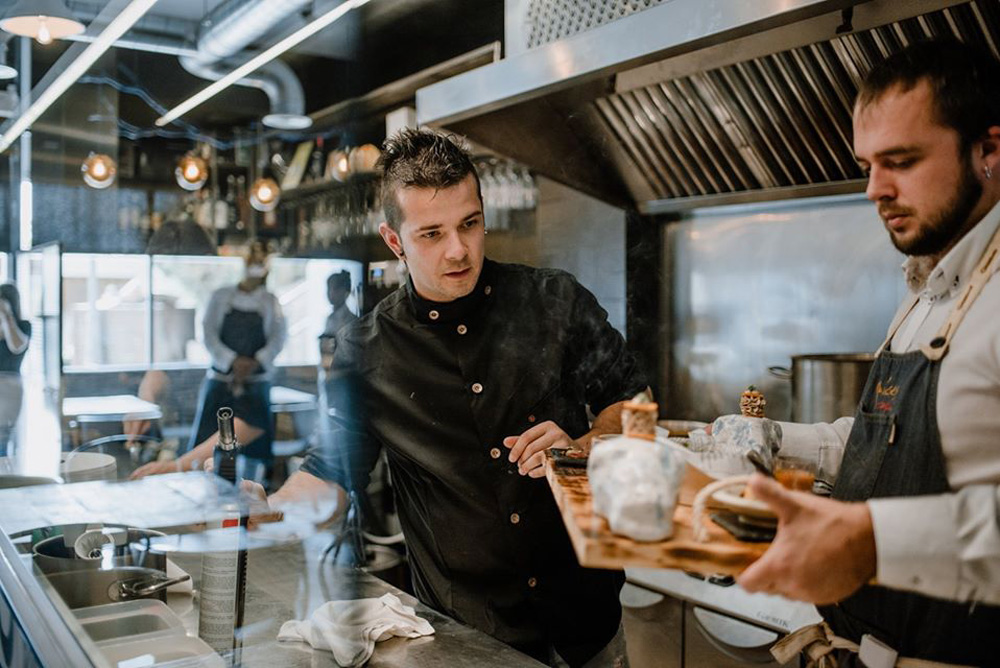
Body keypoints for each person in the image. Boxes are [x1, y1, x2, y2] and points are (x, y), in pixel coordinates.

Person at [255, 129, 646, 667]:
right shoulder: (366, 351)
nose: (458, 249)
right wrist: (266, 512)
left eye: (469, 224)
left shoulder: (556, 302)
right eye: (431, 234)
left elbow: (635, 406)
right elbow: (331, 475)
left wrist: (588, 444)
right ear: (395, 241)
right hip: (469, 641)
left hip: (588, 626)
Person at [733, 39, 1000, 666]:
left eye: (901, 161)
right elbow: (888, 445)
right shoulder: (928, 289)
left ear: (989, 150)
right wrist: (774, 438)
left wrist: (869, 539)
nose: (875, 190)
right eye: (868, 165)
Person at [133, 242, 286, 479]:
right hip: (220, 380)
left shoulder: (270, 301)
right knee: (207, 453)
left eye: (260, 263)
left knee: (252, 463)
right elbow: (208, 333)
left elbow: (278, 339)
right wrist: (232, 360)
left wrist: (254, 362)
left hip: (256, 382)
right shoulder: (221, 296)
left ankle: (255, 492)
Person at [0, 283, 30, 455]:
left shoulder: (23, 326)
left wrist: (7, 316)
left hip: (10, 389)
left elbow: (16, 346)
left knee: (3, 439)